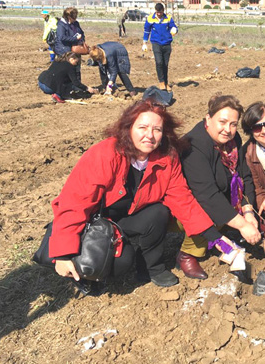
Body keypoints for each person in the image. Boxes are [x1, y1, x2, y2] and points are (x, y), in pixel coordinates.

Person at [49, 99, 231, 288]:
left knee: (159, 212)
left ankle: (153, 268)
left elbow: (183, 200)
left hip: (127, 218)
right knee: (120, 263)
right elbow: (75, 202)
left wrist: (218, 240)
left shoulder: (167, 158)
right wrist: (62, 253)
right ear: (128, 127)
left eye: (157, 130)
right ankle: (84, 272)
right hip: (95, 220)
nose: (150, 136)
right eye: (142, 127)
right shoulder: (106, 153)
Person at [178, 94, 261, 279]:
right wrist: (243, 226)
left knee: (227, 199)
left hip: (217, 195)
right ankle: (188, 254)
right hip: (189, 204)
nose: (228, 129)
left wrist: (248, 212)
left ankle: (221, 233)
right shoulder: (193, 146)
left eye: (233, 124)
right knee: (208, 210)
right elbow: (206, 195)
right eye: (222, 122)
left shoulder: (232, 141)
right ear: (208, 119)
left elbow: (243, 174)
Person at [142, 3, 178, 91]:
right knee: (159, 62)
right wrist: (144, 43)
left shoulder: (168, 18)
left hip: (167, 44)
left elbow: (173, 27)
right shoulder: (150, 18)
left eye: (160, 12)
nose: (159, 14)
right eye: (157, 12)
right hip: (156, 43)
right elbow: (147, 31)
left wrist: (175, 30)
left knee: (165, 64)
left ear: (163, 11)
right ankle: (161, 82)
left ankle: (166, 83)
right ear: (155, 11)